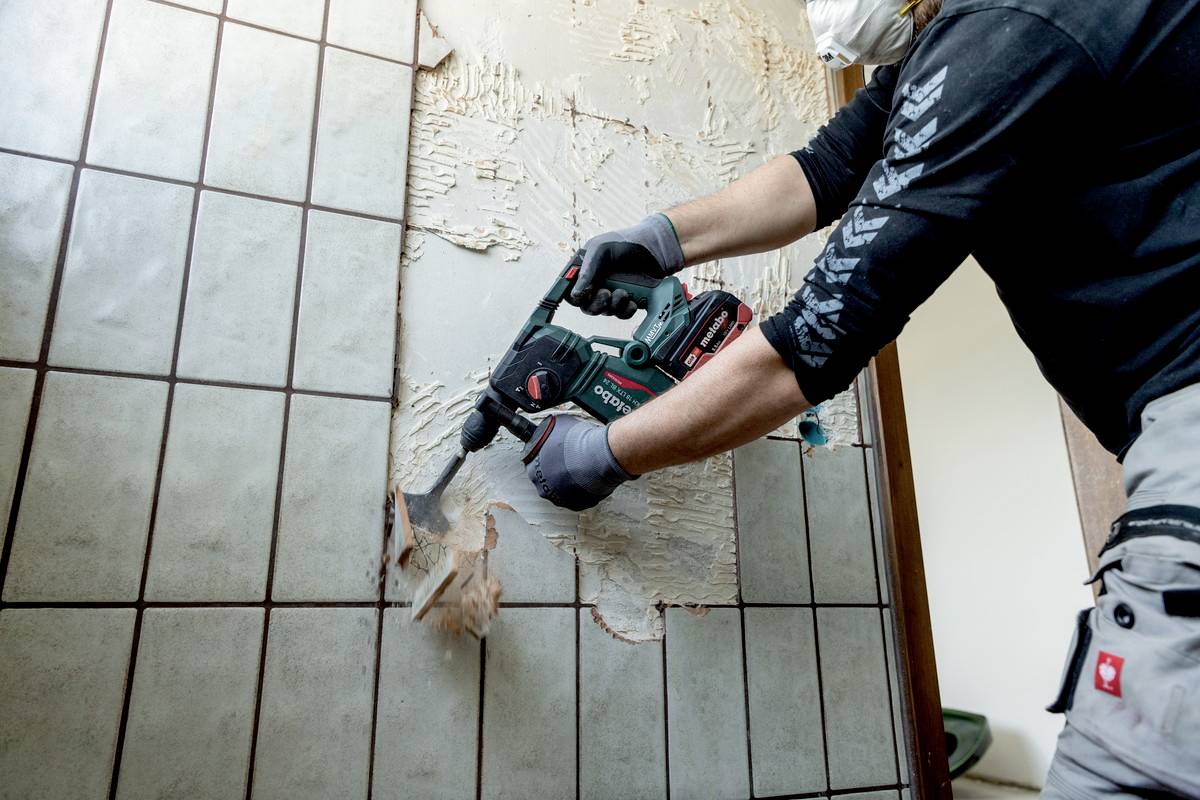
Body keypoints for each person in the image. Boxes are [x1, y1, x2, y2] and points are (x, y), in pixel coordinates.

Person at [521, 0, 1200, 796]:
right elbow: (826, 170)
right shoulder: (979, 36)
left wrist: (603, 454)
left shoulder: (1005, 36)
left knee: (1122, 778)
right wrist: (664, 236)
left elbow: (812, 342)